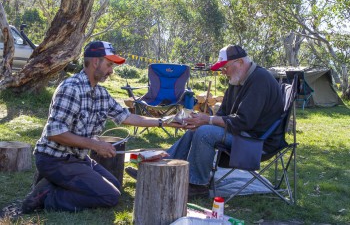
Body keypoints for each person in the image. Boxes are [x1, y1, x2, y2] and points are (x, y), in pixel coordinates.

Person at [21, 41, 182, 213]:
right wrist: (96, 145)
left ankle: (54, 183)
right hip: (54, 159)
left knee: (115, 186)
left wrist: (163, 121)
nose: (111, 71)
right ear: (95, 62)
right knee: (109, 196)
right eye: (109, 64)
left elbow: (127, 116)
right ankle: (47, 197)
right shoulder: (71, 88)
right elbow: (54, 133)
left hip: (78, 158)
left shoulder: (101, 94)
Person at [125, 44, 284, 196]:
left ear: (240, 62)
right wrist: (198, 120)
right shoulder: (237, 81)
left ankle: (198, 184)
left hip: (256, 141)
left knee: (205, 133)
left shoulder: (259, 79)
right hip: (242, 132)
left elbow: (243, 122)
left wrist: (207, 120)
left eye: (225, 67)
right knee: (195, 129)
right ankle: (161, 169)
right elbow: (222, 113)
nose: (223, 72)